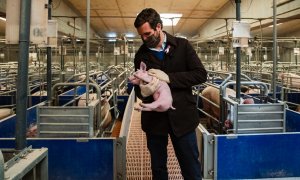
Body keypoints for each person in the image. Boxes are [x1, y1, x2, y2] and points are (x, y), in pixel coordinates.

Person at [133, 8, 207, 180]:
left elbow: (200, 74)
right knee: (158, 169)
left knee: (191, 168)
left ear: (158, 27)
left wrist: (170, 78)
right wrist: (143, 92)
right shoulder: (141, 55)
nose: (144, 39)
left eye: (147, 34)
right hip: (155, 122)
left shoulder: (182, 46)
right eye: (141, 36)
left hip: (182, 118)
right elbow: (138, 86)